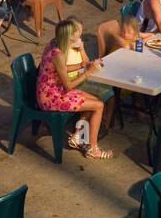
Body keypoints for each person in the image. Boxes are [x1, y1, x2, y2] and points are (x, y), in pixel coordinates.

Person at [36, 17, 110, 160]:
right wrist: (88, 72)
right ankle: (93, 148)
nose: (80, 36)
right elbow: (68, 86)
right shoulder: (58, 54)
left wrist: (83, 66)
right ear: (70, 37)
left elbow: (62, 69)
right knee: (99, 106)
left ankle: (77, 137)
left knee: (96, 99)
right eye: (78, 33)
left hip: (52, 90)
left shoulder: (54, 44)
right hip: (52, 97)